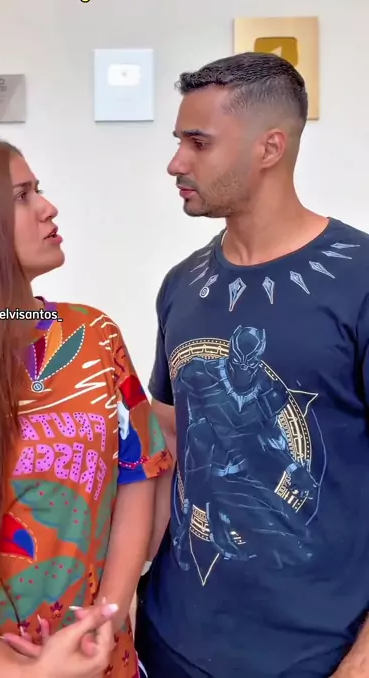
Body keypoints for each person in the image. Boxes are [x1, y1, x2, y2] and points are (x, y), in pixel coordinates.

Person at [0, 135, 172, 678]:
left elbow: (137, 473)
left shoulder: (92, 336)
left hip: (95, 657)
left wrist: (106, 618)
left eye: (38, 189)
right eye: (22, 196)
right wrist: (19, 673)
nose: (49, 207)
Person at [134, 51, 369, 678]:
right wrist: (118, 592)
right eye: (179, 141)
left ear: (270, 148)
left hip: (317, 653)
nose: (176, 162)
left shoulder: (361, 280)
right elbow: (168, 443)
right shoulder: (181, 285)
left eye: (199, 142)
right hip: (172, 643)